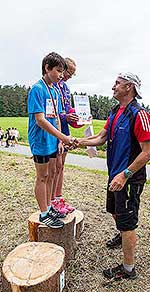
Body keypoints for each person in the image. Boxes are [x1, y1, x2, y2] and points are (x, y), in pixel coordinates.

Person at [78, 72, 150, 280]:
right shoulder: (115, 111)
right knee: (114, 211)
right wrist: (78, 141)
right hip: (114, 175)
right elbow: (101, 137)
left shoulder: (140, 115)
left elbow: (148, 152)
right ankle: (122, 236)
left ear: (129, 87)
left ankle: (128, 269)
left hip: (129, 178)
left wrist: (125, 174)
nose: (113, 87)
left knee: (127, 221)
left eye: (117, 83)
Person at [28, 52, 77, 229]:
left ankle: (49, 207)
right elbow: (40, 119)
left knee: (51, 175)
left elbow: (55, 116)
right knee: (42, 177)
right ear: (47, 68)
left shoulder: (55, 90)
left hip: (53, 140)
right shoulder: (37, 89)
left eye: (63, 71)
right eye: (58, 71)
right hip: (40, 140)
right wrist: (63, 136)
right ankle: (43, 213)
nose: (61, 75)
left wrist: (59, 140)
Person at [51, 57, 82, 214]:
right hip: (54, 131)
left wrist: (79, 117)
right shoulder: (52, 85)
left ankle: (59, 198)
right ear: (62, 68)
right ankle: (52, 202)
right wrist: (65, 117)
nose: (70, 75)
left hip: (65, 131)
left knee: (61, 166)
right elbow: (51, 112)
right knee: (55, 167)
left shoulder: (66, 88)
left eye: (72, 73)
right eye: (69, 72)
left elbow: (68, 108)